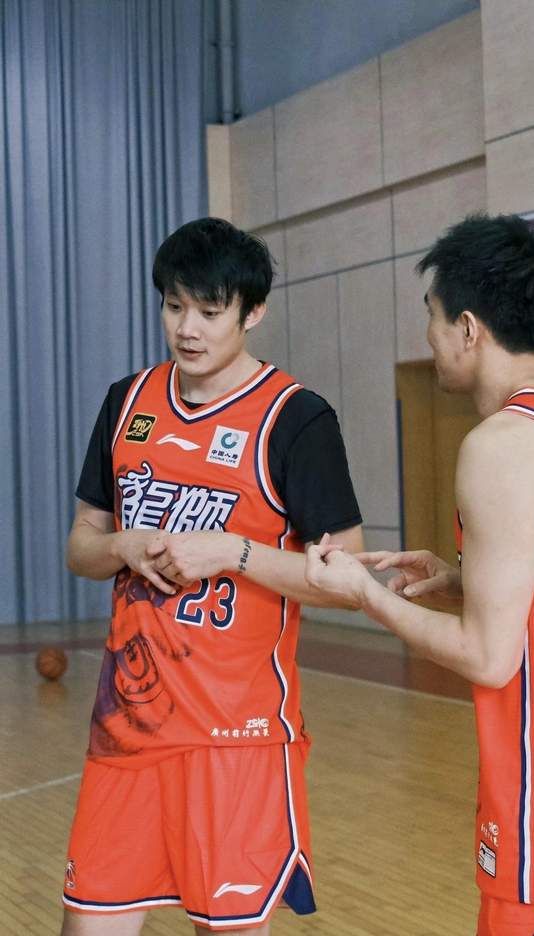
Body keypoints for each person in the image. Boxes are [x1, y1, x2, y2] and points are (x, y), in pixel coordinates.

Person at [305, 213, 534, 935]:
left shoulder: (502, 446)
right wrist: (465, 578)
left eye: (430, 316)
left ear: (467, 327)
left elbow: (488, 657)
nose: (427, 337)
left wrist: (364, 594)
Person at [62, 217, 363, 936]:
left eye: (208, 310)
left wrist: (231, 552)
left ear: (252, 312)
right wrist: (123, 545)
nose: (186, 328)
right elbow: (80, 547)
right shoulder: (127, 403)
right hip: (127, 731)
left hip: (239, 740)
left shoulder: (296, 419)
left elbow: (348, 578)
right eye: (174, 306)